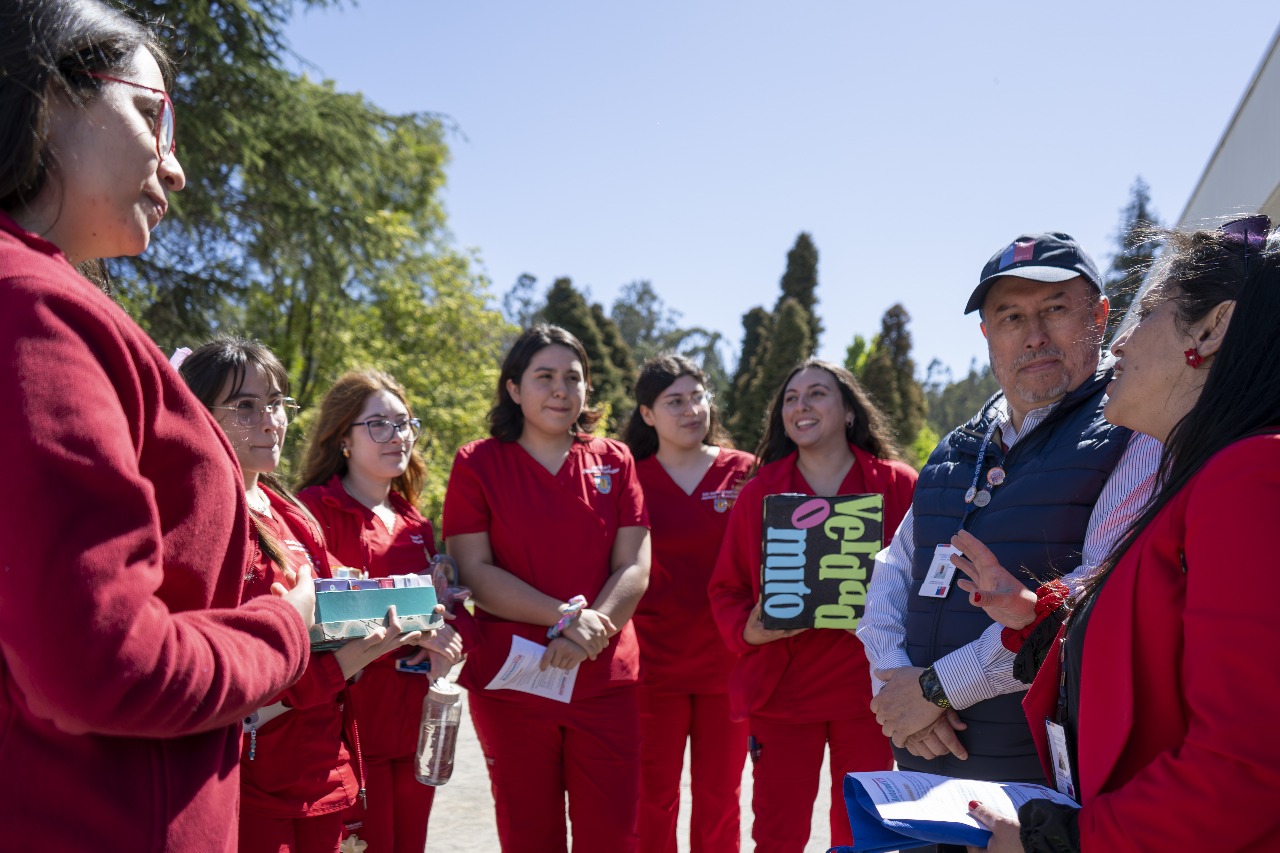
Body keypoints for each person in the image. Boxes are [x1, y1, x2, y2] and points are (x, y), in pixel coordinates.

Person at [0, 2, 313, 849]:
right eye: (153, 114)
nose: (176, 169)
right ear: (49, 92)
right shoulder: (33, 307)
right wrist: (288, 626)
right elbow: (101, 660)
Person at [954, 216, 1280, 851]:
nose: (1121, 343)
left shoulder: (1251, 476)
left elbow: (1246, 768)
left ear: (1212, 329)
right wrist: (1034, 617)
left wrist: (1060, 842)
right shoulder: (1205, 478)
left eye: (1149, 312)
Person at [857, 233, 1160, 797]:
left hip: (1042, 783)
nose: (1035, 336)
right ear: (987, 335)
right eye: (1011, 317)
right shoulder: (954, 449)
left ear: (1099, 315)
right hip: (925, 770)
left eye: (1055, 310)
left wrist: (934, 690)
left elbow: (1093, 592)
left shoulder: (1135, 432)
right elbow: (892, 573)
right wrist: (895, 684)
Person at [181, 339, 423, 852]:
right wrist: (342, 664)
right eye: (245, 406)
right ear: (196, 411)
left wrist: (400, 610)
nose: (270, 420)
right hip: (247, 777)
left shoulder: (287, 510)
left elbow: (334, 611)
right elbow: (216, 664)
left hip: (321, 769)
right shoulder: (195, 515)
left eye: (275, 402)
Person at [442, 324, 651, 852]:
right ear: (513, 388)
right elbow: (475, 570)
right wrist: (563, 617)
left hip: (604, 675)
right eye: (544, 377)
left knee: (613, 834)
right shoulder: (477, 463)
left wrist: (585, 633)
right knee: (529, 833)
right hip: (515, 683)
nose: (561, 389)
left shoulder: (615, 461)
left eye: (573, 377)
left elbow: (635, 566)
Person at [708, 359, 918, 852]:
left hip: (873, 696)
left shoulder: (899, 485)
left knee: (864, 834)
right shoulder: (759, 493)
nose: (801, 406)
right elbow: (726, 590)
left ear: (848, 411)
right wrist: (753, 628)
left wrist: (884, 621)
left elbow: (930, 581)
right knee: (778, 835)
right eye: (791, 398)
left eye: (817, 393)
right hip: (784, 696)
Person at [296, 369, 464, 853]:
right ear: (343, 437)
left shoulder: (416, 523)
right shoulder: (311, 512)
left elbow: (437, 615)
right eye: (379, 425)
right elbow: (312, 619)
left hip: (412, 730)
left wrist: (446, 636)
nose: (398, 436)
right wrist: (410, 634)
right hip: (343, 735)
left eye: (405, 423)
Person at [622, 354, 755, 853]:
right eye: (673, 401)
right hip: (651, 669)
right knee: (650, 799)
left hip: (728, 665)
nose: (690, 409)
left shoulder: (743, 473)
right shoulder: (630, 478)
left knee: (721, 798)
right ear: (648, 414)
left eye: (697, 396)